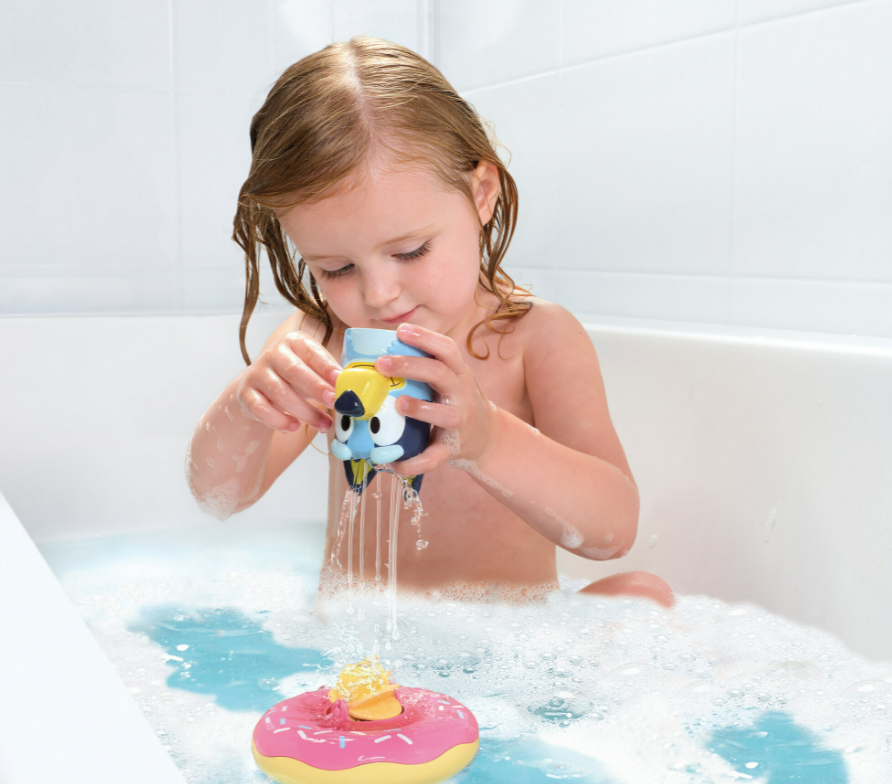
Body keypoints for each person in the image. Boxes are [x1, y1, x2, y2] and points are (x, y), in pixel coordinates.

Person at [186, 37, 672, 607]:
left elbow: (612, 530)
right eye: (336, 268)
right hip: (362, 666)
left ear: (481, 193)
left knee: (643, 595)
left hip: (509, 650)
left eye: (411, 250)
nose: (378, 293)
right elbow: (220, 498)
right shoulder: (321, 340)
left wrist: (488, 440)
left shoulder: (533, 339)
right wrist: (248, 403)